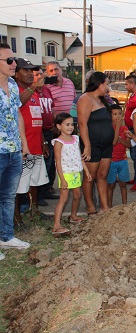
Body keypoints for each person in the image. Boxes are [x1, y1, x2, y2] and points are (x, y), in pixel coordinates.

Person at [0, 43, 31, 258]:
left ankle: (6, 236)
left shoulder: (12, 85)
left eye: (14, 59)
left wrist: (24, 144)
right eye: (9, 60)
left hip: (14, 149)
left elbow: (18, 114)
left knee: (8, 196)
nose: (14, 64)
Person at [13, 58, 50, 224]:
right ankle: (16, 218)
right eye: (25, 70)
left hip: (36, 145)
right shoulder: (15, 91)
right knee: (16, 184)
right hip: (22, 148)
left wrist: (43, 141)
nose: (29, 73)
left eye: (31, 70)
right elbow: (18, 102)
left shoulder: (34, 93)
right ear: (16, 72)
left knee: (35, 181)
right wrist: (33, 86)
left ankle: (34, 211)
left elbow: (37, 119)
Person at [77, 71, 114, 215]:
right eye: (107, 83)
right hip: (92, 144)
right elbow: (82, 123)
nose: (108, 87)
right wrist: (87, 145)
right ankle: (90, 206)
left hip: (106, 145)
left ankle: (104, 206)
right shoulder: (85, 98)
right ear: (99, 84)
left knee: (103, 175)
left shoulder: (101, 100)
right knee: (89, 176)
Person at [52, 113, 91, 237]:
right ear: (59, 126)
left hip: (76, 172)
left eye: (71, 124)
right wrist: (62, 179)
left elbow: (80, 157)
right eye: (67, 124)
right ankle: (56, 225)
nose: (70, 127)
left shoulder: (76, 139)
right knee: (63, 198)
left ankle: (73, 216)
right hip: (66, 174)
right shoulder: (58, 143)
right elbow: (57, 163)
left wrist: (86, 171)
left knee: (77, 195)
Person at [34, 68, 59, 202]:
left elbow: (52, 108)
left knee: (50, 162)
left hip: (50, 130)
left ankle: (47, 189)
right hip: (39, 131)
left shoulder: (46, 90)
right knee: (42, 162)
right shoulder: (31, 93)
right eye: (37, 75)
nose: (40, 77)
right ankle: (38, 193)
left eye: (41, 74)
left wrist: (56, 124)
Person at [107, 104, 131, 207]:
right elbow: (113, 142)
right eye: (115, 114)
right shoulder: (108, 128)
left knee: (123, 184)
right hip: (111, 161)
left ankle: (125, 205)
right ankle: (109, 207)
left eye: (119, 114)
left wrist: (120, 139)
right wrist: (117, 129)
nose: (117, 116)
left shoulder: (125, 129)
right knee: (111, 185)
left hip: (123, 160)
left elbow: (128, 145)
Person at [124, 74, 136, 192]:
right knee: (134, 153)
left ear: (132, 84)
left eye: (127, 84)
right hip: (130, 128)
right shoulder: (133, 95)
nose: (125, 86)